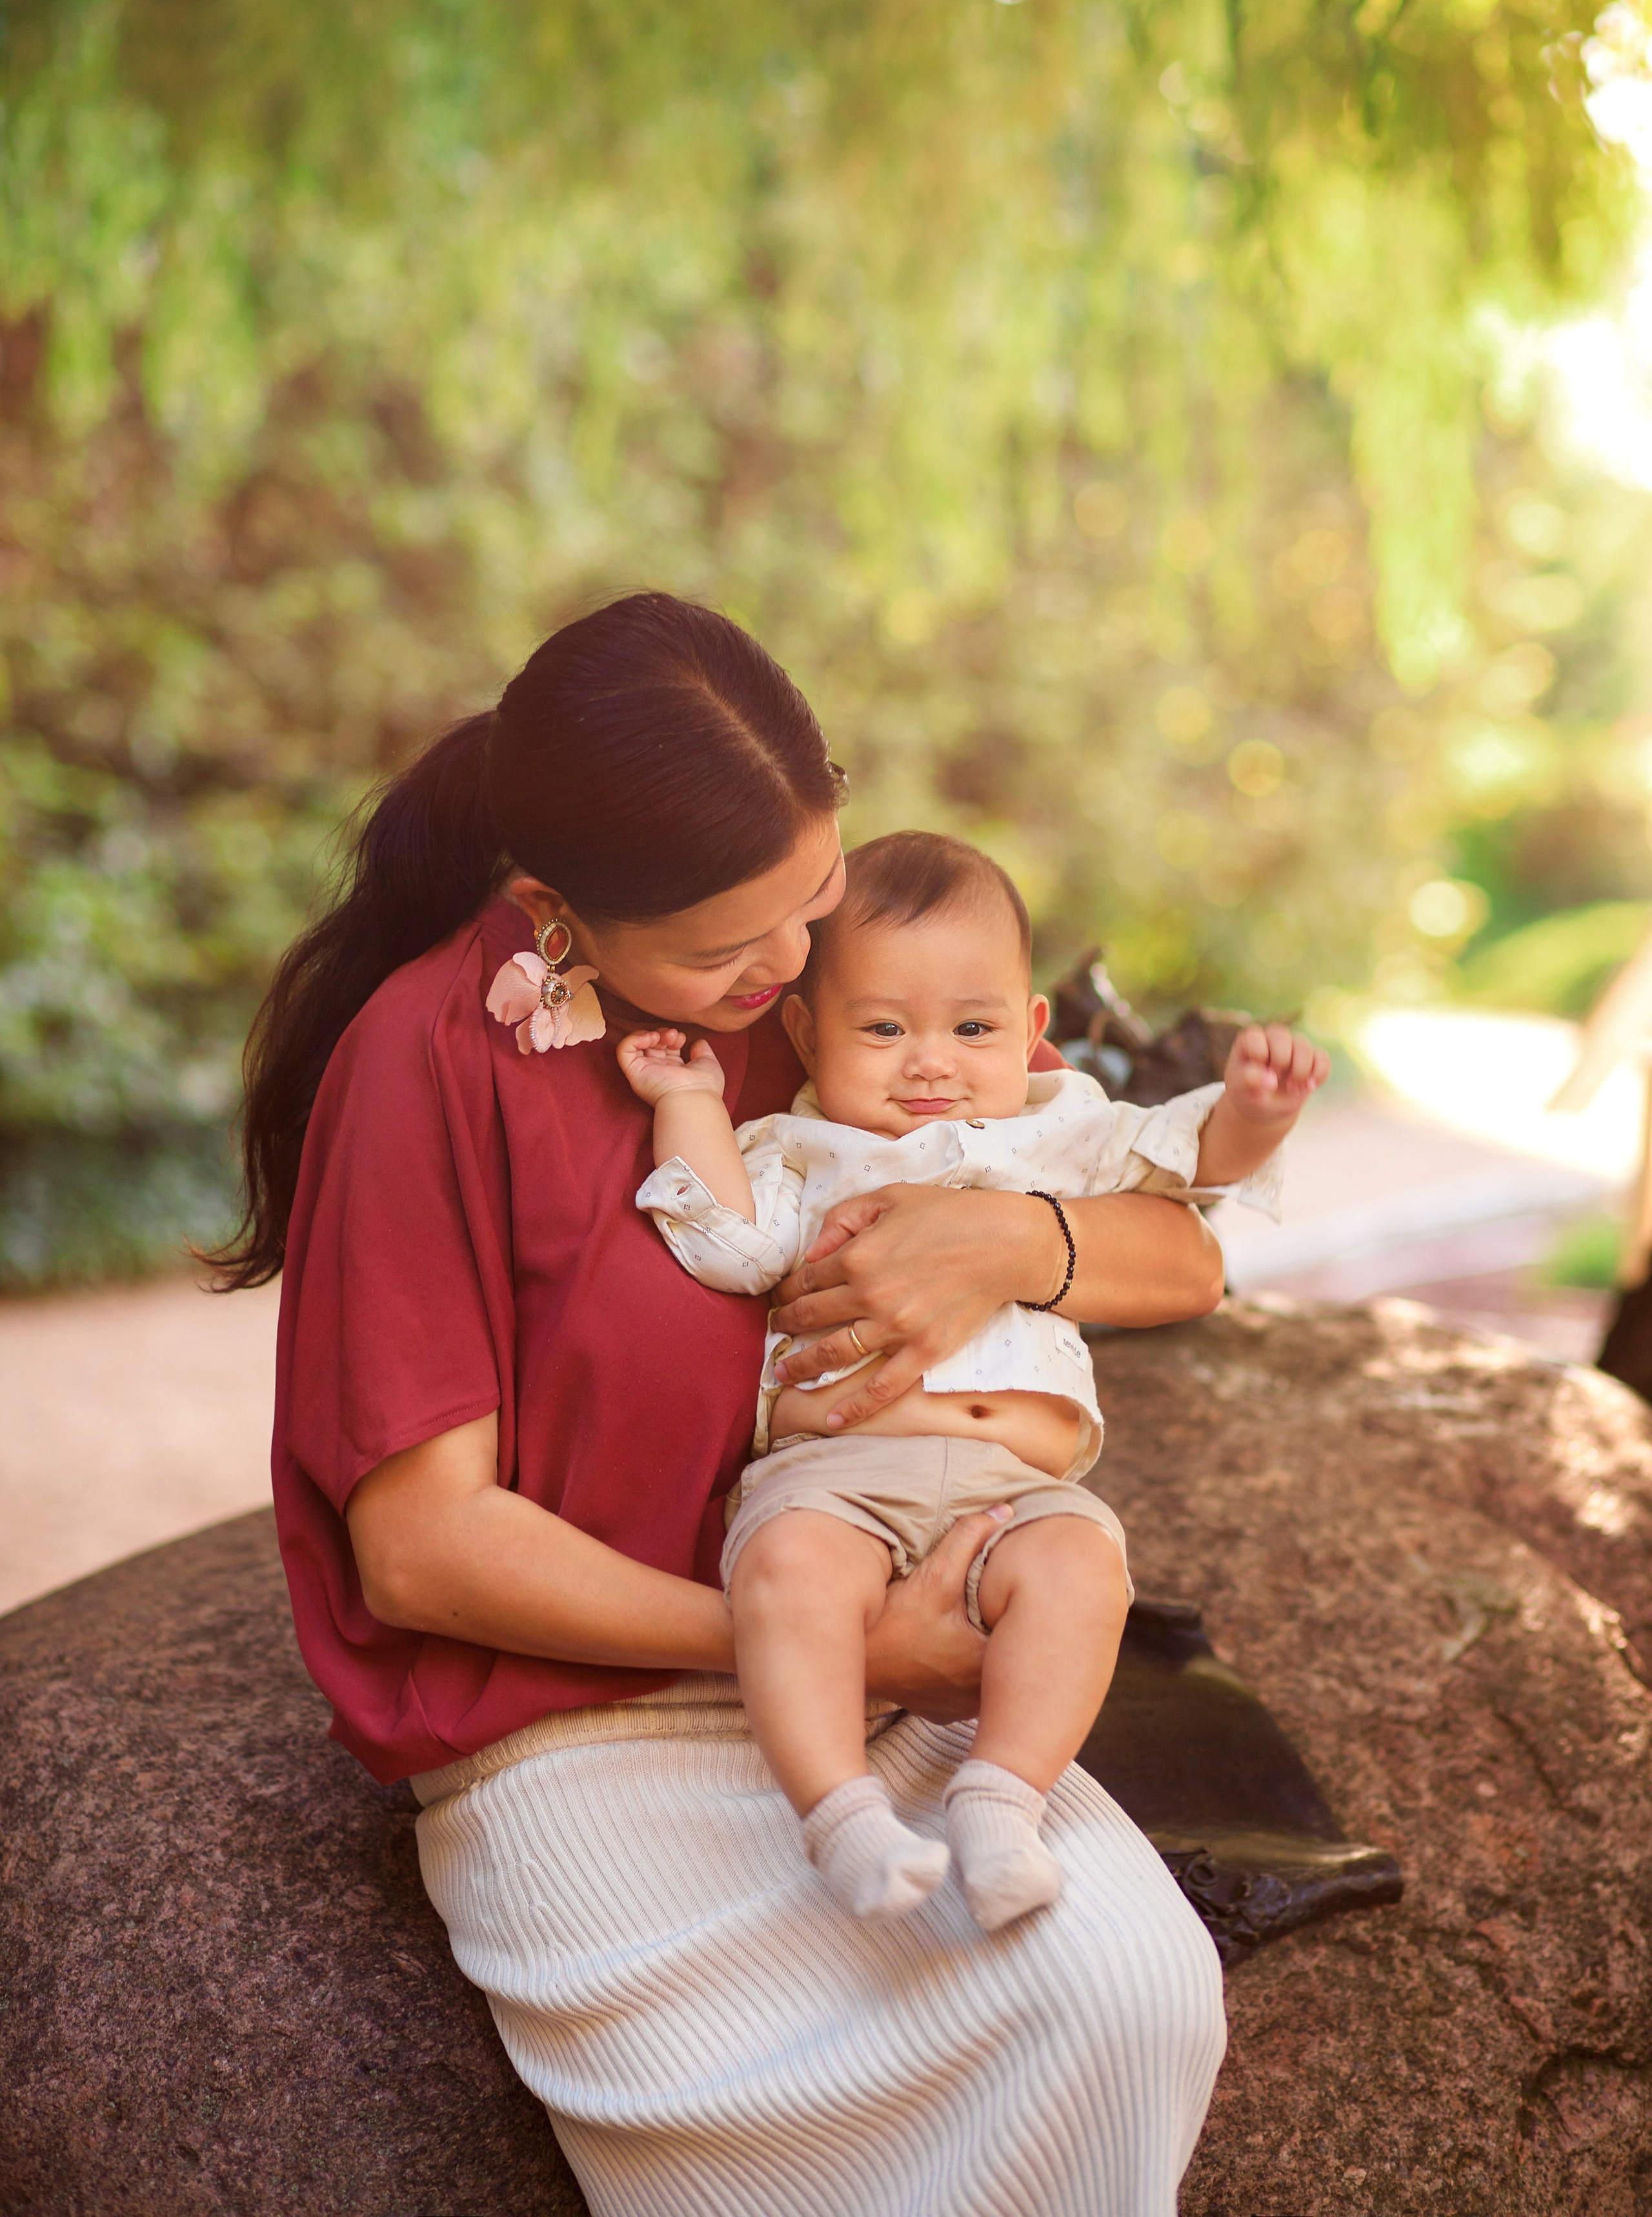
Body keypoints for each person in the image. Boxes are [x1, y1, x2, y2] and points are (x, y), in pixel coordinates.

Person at [223, 591, 1231, 2217]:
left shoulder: (832, 997)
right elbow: (416, 1552)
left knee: (1127, 1994)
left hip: (873, 1673)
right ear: (556, 908)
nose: (783, 969)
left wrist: (1011, 1239)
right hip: (580, 1725)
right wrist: (815, 1640)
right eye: (720, 947)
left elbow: (1185, 1264)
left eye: (810, 900)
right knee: (795, 2150)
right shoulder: (423, 1060)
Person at [618, 831, 1321, 1931]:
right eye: (885, 1028)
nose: (931, 1062)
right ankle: (839, 1814)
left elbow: (1179, 1172)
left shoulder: (1057, 1133)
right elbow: (730, 1246)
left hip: (1017, 1488)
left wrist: (1256, 1115)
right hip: (841, 1469)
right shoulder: (799, 1149)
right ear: (807, 1030)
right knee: (792, 1570)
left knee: (1086, 1570)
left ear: (1033, 1034)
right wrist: (690, 1105)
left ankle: (1002, 1798)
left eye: (974, 1028)